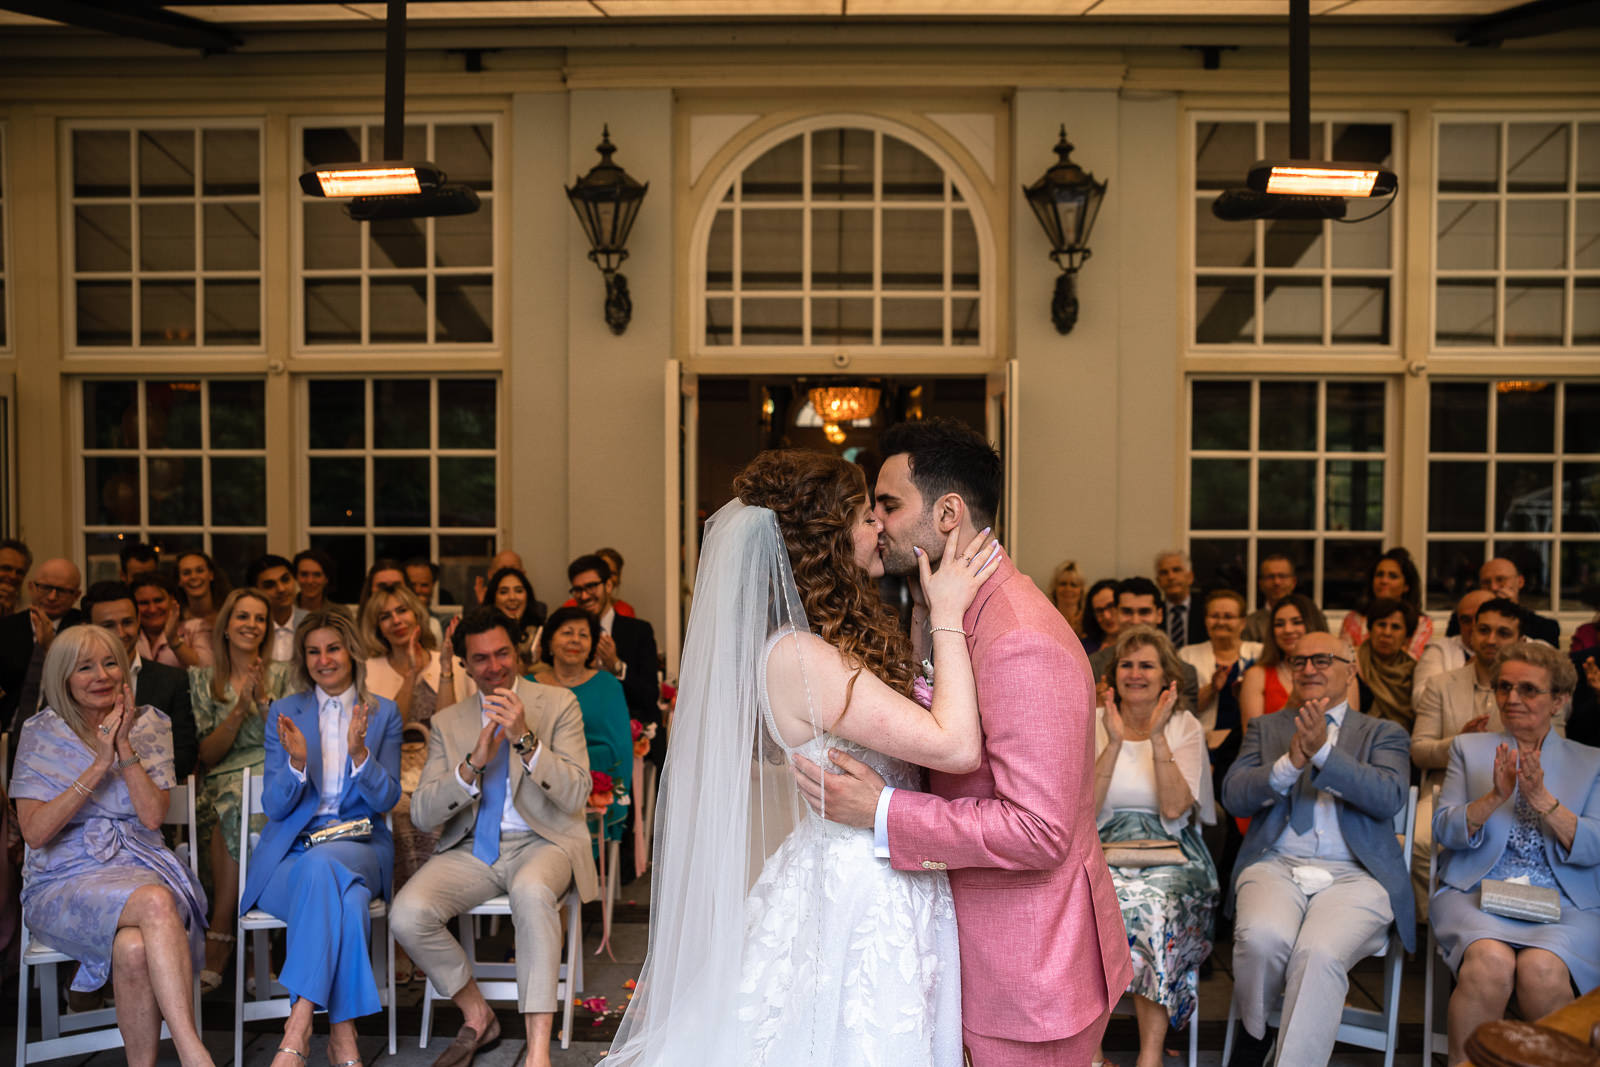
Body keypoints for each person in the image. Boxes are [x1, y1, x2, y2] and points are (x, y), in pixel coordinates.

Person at [608, 444, 1005, 1065]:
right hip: (860, 888)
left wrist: (928, 611)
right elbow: (953, 745)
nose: (880, 524)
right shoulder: (802, 658)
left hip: (876, 864)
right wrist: (951, 615)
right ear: (826, 537)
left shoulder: (825, 640)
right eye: (863, 514)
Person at [794, 419, 1134, 1065]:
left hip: (1028, 971)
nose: (877, 522)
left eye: (889, 505)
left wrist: (883, 812)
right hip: (963, 943)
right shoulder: (943, 608)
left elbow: (1038, 829)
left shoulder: (1019, 635)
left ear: (948, 512)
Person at [390, 608, 598, 1067]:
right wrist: (471, 768)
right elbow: (423, 813)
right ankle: (477, 1012)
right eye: (481, 658)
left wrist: (525, 740)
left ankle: (537, 1053)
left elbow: (577, 792)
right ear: (464, 665)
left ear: (516, 650)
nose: (495, 665)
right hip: (474, 850)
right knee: (406, 913)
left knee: (530, 892)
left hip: (545, 841)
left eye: (503, 652)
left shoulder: (557, 703)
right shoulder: (448, 721)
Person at [11, 625, 213, 1067]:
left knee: (134, 948)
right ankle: (193, 1052)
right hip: (64, 880)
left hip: (139, 865)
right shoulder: (39, 732)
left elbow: (153, 817)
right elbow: (36, 833)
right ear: (64, 677)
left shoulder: (151, 724)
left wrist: (122, 747)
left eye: (109, 663)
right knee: (157, 904)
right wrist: (99, 764)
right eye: (85, 667)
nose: (102, 675)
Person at [1220, 631, 1415, 1067]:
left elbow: (1388, 797)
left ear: (1352, 670)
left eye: (1323, 659)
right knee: (1263, 938)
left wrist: (1324, 751)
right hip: (1276, 865)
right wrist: (1289, 764)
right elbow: (1233, 795)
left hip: (1358, 875)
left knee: (1319, 953)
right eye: (1299, 661)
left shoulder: (1384, 732)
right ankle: (1256, 1034)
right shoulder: (1267, 727)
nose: (1309, 669)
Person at [240, 610, 402, 1067]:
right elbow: (273, 807)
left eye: (332, 648)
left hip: (360, 845)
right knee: (346, 904)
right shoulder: (285, 710)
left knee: (324, 868)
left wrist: (360, 755)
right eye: (313, 651)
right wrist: (294, 765)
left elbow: (387, 798)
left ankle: (298, 1026)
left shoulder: (383, 711)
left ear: (351, 651)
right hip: (290, 851)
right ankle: (342, 1037)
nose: (323, 659)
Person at [1430, 641, 1600, 1064]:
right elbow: (1444, 830)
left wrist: (1543, 801)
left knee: (1543, 971)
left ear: (1559, 700)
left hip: (1566, 903)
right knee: (1488, 962)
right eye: (1504, 687)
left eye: (1528, 690)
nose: (1511, 699)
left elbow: (1595, 847)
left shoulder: (1591, 761)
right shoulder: (1469, 750)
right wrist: (1494, 798)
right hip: (1476, 894)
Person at [1094, 626, 1218, 1067]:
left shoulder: (1184, 726)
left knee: (1154, 903)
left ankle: (1150, 1055)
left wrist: (1159, 735)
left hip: (1172, 848)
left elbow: (1174, 807)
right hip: (1103, 844)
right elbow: (1082, 809)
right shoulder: (1093, 721)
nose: (1135, 673)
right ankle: (1092, 1054)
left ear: (1167, 676)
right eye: (1126, 664)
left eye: (1146, 664)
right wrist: (1113, 741)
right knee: (1087, 901)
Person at [360, 580, 470, 976]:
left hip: (441, 765)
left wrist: (440, 673)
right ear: (376, 626)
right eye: (385, 616)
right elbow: (383, 732)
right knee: (400, 816)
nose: (395, 621)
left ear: (416, 614)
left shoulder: (452, 662)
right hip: (393, 766)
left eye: (401, 611)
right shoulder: (371, 671)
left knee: (442, 811)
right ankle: (406, 937)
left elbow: (451, 726)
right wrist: (407, 676)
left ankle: (436, 928)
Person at [190, 587, 293, 991]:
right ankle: (254, 950)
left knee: (259, 806)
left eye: (259, 618)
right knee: (237, 804)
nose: (252, 625)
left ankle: (224, 937)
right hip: (223, 780)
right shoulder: (202, 679)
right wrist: (239, 708)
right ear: (227, 627)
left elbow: (292, 745)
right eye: (243, 617)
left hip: (276, 772)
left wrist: (264, 702)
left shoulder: (285, 674)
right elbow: (208, 754)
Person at [536, 606, 631, 845]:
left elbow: (621, 747)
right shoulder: (528, 684)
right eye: (567, 633)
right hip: (537, 791)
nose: (575, 640)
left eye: (583, 635)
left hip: (593, 789)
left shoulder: (608, 685)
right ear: (549, 641)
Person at [84, 581, 196, 781]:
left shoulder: (172, 681)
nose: (120, 633)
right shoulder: (73, 684)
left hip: (155, 791)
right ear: (88, 628)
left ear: (138, 622)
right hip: (90, 793)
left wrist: (129, 770)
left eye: (127, 622)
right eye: (108, 625)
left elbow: (184, 758)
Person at [568, 554, 661, 766]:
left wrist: (617, 667)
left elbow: (649, 695)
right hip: (582, 741)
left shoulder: (639, 631)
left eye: (591, 586)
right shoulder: (569, 635)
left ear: (609, 586)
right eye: (578, 590)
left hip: (631, 739)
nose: (584, 595)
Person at [1088, 577, 1200, 712]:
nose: (1135, 621)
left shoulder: (1185, 673)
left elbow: (1184, 727)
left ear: (1159, 615)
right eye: (1127, 612)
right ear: (1116, 614)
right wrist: (1096, 707)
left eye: (1144, 612)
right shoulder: (1093, 666)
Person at [2, 557, 84, 735]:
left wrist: (50, 647)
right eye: (46, 588)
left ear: (76, 596)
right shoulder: (6, 628)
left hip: (66, 735)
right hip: (8, 733)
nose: (52, 597)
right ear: (32, 587)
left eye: (62, 591)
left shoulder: (84, 629)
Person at [1239, 594, 1323, 731]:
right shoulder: (1256, 675)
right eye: (1279, 624)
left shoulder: (1339, 671)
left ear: (1312, 624)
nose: (1288, 630)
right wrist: (1289, 706)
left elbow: (1349, 736)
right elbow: (1251, 739)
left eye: (1297, 622)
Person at [1339, 547, 1432, 661]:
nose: (1384, 581)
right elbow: (1344, 660)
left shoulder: (1421, 623)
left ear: (1406, 586)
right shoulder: (1354, 619)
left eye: (1393, 576)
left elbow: (1412, 661)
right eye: (1379, 575)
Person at [1354, 597, 1419, 730]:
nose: (1387, 633)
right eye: (1381, 624)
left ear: (1407, 637)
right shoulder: (1352, 663)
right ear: (1370, 629)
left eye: (1395, 627)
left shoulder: (1414, 671)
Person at [1415, 589, 1491, 700]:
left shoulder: (1522, 647)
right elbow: (1421, 700)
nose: (1473, 626)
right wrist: (1464, 676)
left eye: (1480, 619)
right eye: (1466, 620)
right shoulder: (1439, 651)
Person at [1477, 557, 1561, 647]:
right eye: (1486, 582)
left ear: (1520, 582)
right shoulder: (1467, 620)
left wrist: (1513, 609)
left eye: (1500, 579)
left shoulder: (1545, 627)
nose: (1493, 587)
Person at [1241, 555, 1326, 645]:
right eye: (1270, 577)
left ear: (1293, 582)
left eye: (1282, 576)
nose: (1277, 582)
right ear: (1261, 583)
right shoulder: (1250, 623)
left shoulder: (1314, 616)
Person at [481, 566, 545, 671]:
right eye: (504, 592)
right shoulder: (481, 634)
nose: (512, 597)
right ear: (493, 597)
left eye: (519, 591)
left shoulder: (539, 634)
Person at [172, 551, 228, 669]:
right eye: (186, 573)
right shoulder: (175, 618)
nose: (194, 577)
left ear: (211, 575)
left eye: (200, 571)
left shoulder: (228, 612)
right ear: (179, 580)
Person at [248, 554, 307, 663]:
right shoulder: (250, 628)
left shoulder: (311, 622)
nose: (281, 589)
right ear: (256, 591)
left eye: (285, 580)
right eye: (270, 585)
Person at [132, 572, 185, 669]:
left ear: (172, 599)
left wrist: (174, 640)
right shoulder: (127, 636)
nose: (152, 609)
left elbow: (206, 671)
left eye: (158, 600)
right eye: (143, 603)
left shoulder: (193, 629)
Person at [1155, 549, 1200, 649]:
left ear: (1190, 577)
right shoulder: (1153, 612)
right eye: (1164, 572)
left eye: (1176, 570)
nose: (1171, 577)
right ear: (1158, 581)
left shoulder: (1205, 610)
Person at [1082, 577, 1121, 657]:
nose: (1107, 616)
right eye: (1099, 611)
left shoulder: (1142, 642)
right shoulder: (1084, 648)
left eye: (1111, 606)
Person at [1048, 558, 1087, 638]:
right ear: (1054, 588)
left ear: (1082, 590)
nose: (1068, 589)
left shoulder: (1089, 620)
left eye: (1074, 585)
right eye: (1063, 584)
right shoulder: (1046, 619)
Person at [293, 548, 339, 615]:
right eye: (304, 574)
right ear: (296, 576)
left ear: (327, 579)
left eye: (317, 575)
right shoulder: (282, 611)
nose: (309, 581)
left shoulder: (340, 614)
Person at [0, 536, 30, 617]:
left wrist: (9, 613)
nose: (13, 576)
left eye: (20, 572)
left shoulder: (29, 611)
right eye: (6, 568)